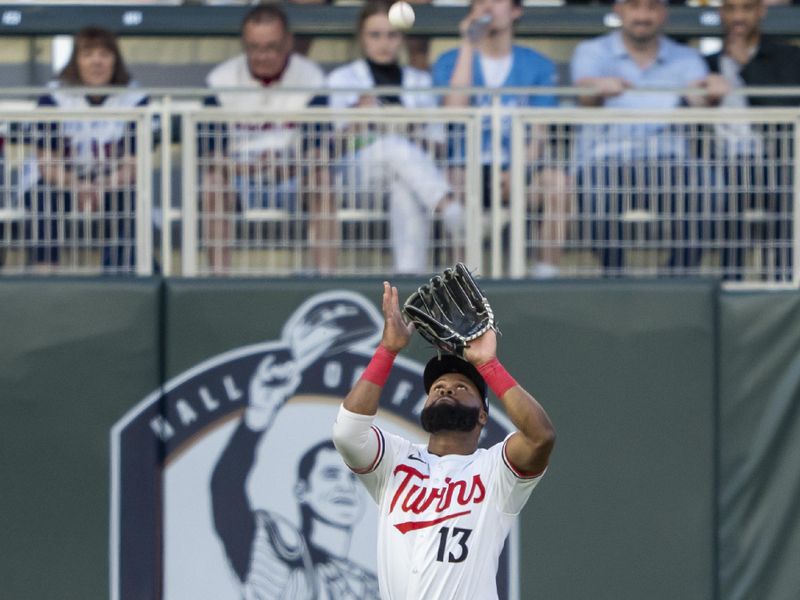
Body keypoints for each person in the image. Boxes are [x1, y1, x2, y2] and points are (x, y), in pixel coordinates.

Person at [332, 282, 555, 598]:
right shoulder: (394, 460)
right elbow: (347, 433)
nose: (446, 388)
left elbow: (540, 437)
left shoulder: (495, 471)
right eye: (437, 387)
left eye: (462, 387)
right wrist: (388, 349)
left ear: (482, 415)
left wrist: (488, 365)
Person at [570, 0, 729, 274]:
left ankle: (678, 278)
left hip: (670, 160)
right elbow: (585, 94)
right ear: (619, 10)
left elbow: (700, 102)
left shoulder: (686, 58)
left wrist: (711, 91)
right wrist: (597, 87)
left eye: (652, 7)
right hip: (606, 159)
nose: (642, 16)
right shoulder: (592, 51)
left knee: (707, 186)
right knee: (595, 189)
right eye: (634, 6)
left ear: (664, 14)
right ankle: (614, 278)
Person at [211, 352, 380, 598]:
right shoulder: (276, 549)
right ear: (303, 491)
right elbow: (226, 489)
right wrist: (258, 414)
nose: (345, 486)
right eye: (331, 474)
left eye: (354, 477)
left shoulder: (371, 586)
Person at [432, 0, 571, 278]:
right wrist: (468, 45)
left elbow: (539, 131)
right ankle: (463, 288)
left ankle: (546, 277)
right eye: (480, 2)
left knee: (558, 183)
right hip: (465, 167)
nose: (488, 8)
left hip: (520, 167)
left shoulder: (537, 64)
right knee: (452, 185)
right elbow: (453, 112)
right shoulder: (450, 61)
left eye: (497, 1)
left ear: (516, 10)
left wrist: (518, 170)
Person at [326, 0, 462, 274]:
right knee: (391, 145)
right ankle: (449, 208)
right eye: (375, 35)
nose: (384, 43)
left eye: (391, 35)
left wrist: (409, 126)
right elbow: (332, 146)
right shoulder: (342, 79)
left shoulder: (419, 81)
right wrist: (358, 117)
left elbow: (438, 145)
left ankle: (409, 281)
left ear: (402, 38)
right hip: (357, 179)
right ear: (362, 38)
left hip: (411, 179)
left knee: (404, 189)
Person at [202, 4, 335, 274]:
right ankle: (218, 279)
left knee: (322, 180)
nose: (262, 56)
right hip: (239, 176)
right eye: (254, 47)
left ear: (288, 43)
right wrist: (241, 167)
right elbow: (208, 151)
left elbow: (318, 150)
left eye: (271, 47)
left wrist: (289, 166)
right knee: (212, 181)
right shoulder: (221, 79)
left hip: (293, 177)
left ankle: (326, 279)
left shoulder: (311, 77)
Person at [26, 26, 147, 272]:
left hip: (112, 183)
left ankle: (119, 278)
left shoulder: (135, 97)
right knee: (42, 196)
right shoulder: (53, 97)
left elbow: (134, 165)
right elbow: (47, 164)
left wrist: (101, 186)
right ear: (76, 60)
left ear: (115, 60)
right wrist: (78, 185)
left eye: (104, 54)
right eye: (88, 54)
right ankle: (44, 276)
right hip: (62, 182)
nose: (96, 62)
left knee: (131, 198)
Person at [704, 0, 800, 280]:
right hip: (721, 161)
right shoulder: (707, 63)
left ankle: (781, 289)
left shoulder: (788, 57)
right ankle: (729, 287)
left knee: (785, 202)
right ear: (721, 13)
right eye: (731, 9)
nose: (738, 17)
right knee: (724, 201)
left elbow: (783, 108)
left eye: (746, 8)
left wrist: (746, 65)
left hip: (778, 160)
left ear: (760, 11)